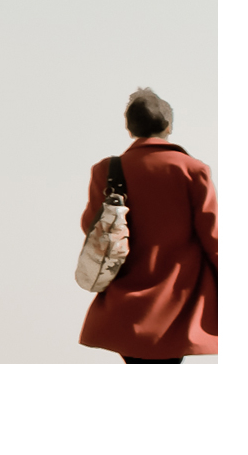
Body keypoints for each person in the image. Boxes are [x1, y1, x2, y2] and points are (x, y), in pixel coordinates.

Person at [79, 87, 218, 363]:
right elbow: (212, 234)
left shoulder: (107, 170)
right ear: (168, 126)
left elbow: (90, 226)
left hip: (125, 304)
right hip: (179, 301)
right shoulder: (192, 170)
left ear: (130, 129)